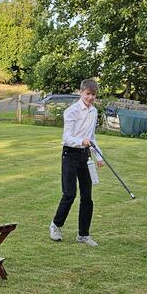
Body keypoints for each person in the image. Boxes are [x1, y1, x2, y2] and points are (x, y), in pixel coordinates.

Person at [49, 79, 103, 246]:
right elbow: (67, 137)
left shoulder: (94, 112)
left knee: (87, 197)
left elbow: (92, 137)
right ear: (81, 93)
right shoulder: (71, 111)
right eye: (88, 94)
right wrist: (81, 142)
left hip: (85, 156)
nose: (90, 97)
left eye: (93, 95)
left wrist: (99, 156)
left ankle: (83, 235)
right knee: (70, 194)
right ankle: (56, 225)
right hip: (70, 154)